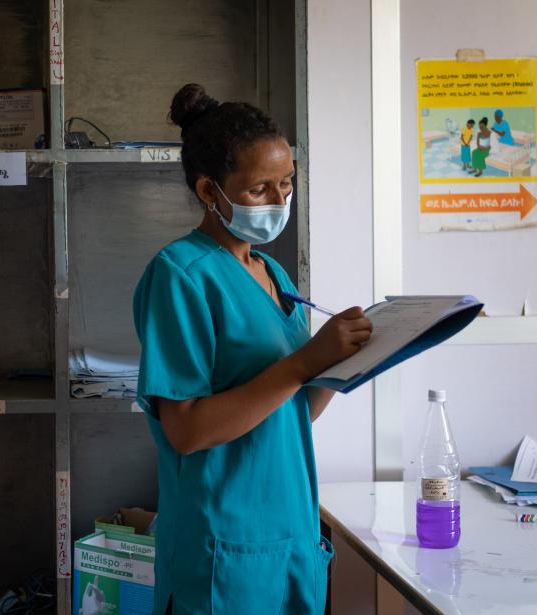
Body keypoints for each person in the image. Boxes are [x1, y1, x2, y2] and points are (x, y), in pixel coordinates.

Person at [132, 83, 374, 615]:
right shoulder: (181, 275)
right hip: (223, 549)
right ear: (209, 191)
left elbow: (290, 413)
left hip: (288, 535)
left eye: (287, 183)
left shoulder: (273, 274)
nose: (280, 201)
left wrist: (339, 368)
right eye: (260, 188)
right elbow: (188, 430)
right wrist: (307, 361)